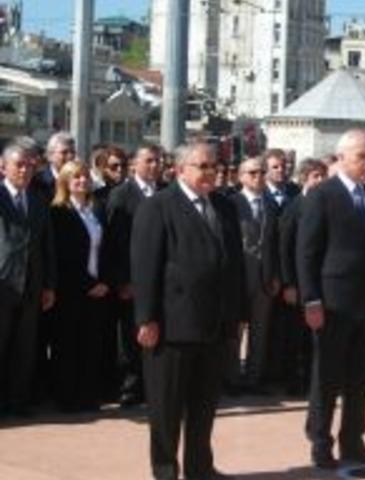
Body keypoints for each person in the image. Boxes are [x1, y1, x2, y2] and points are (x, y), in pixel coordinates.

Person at [131, 141, 246, 480]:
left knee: (204, 406)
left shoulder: (224, 207)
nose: (211, 172)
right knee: (166, 409)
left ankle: (200, 468)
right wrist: (146, 318)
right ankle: (166, 471)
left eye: (214, 166)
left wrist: (237, 314)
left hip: (214, 324)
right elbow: (145, 266)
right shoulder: (159, 207)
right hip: (171, 326)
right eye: (202, 166)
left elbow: (234, 265)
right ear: (180, 169)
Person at [297, 130, 365, 469]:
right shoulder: (323, 195)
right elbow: (306, 252)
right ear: (342, 157)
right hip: (332, 301)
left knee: (360, 375)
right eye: (362, 156)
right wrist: (311, 299)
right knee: (328, 376)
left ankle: (353, 439)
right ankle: (321, 441)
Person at [0, 137, 56, 417]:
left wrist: (48, 285)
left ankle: (18, 402)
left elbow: (48, 245)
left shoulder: (38, 199)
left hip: (32, 286)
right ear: (3, 167)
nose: (24, 171)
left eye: (29, 166)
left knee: (25, 349)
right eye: (18, 165)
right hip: (4, 285)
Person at [104, 144, 163, 408]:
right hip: (131, 279)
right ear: (135, 164)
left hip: (160, 278)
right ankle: (130, 386)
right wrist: (122, 280)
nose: (154, 165)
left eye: (157, 160)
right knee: (129, 335)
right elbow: (115, 242)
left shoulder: (165, 193)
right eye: (149, 160)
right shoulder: (121, 195)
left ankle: (153, 385)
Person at [49, 160, 111, 412]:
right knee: (68, 345)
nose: (82, 181)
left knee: (91, 344)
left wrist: (104, 281)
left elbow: (106, 249)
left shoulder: (95, 209)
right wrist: (88, 284)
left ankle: (88, 395)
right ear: (65, 182)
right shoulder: (58, 212)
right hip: (72, 290)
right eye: (76, 177)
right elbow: (64, 256)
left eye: (85, 177)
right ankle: (67, 397)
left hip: (98, 288)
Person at [228, 158, 281, 393]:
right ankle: (231, 379)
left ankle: (254, 378)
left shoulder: (271, 204)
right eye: (252, 172)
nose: (258, 176)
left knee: (260, 331)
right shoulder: (231, 203)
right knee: (235, 330)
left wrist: (276, 275)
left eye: (261, 172)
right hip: (239, 278)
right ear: (241, 176)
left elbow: (275, 243)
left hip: (265, 278)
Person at [279, 159, 327, 396]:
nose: (320, 180)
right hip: (298, 282)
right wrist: (288, 283)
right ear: (304, 178)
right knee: (295, 335)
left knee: (314, 335)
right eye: (316, 176)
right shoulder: (295, 206)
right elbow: (285, 247)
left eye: (322, 176)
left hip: (320, 281)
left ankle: (312, 379)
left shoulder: (325, 205)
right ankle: (293, 381)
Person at [31, 132, 75, 201]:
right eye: (64, 152)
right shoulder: (37, 182)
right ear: (50, 156)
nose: (70, 156)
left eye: (72, 152)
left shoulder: (80, 181)